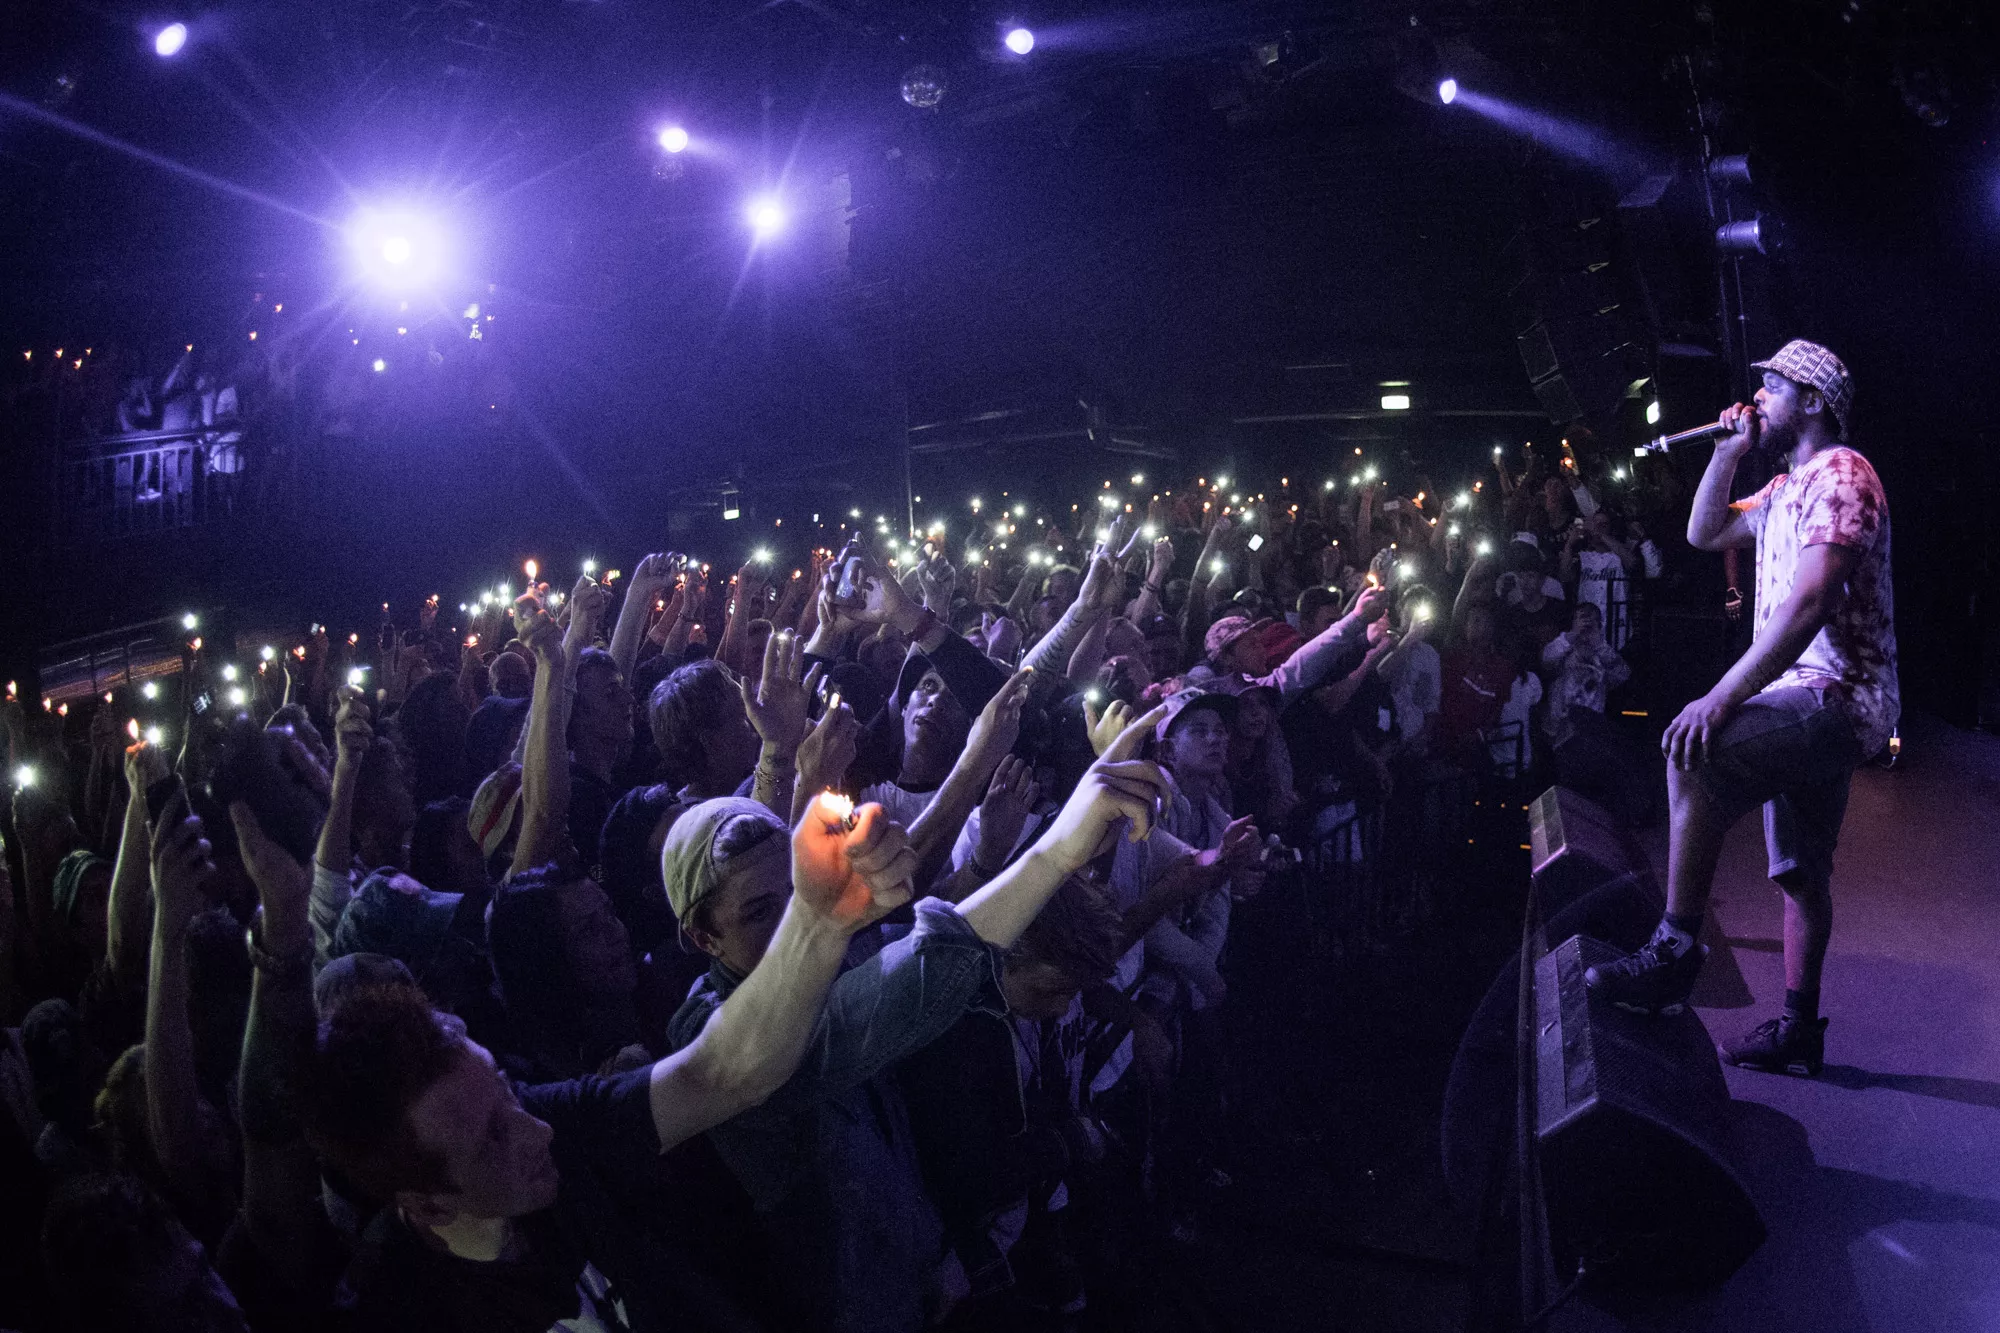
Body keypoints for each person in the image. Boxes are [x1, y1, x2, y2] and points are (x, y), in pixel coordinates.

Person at [663, 708, 1171, 1333]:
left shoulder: (836, 953)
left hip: (920, 1280)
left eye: (797, 893)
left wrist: (1080, 828)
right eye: (759, 911)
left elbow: (947, 937)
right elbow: (899, 987)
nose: (792, 921)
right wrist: (1053, 850)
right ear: (702, 938)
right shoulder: (705, 1036)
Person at [1584, 340, 1896, 1079]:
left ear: (1813, 402)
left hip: (1837, 695)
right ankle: (1798, 1030)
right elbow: (1703, 533)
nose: (1757, 398)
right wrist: (1727, 451)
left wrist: (1724, 696)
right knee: (1801, 873)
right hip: (1803, 696)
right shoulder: (1787, 487)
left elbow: (1811, 603)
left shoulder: (1844, 476)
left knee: (1693, 749)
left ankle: (1673, 949)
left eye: (1773, 388)